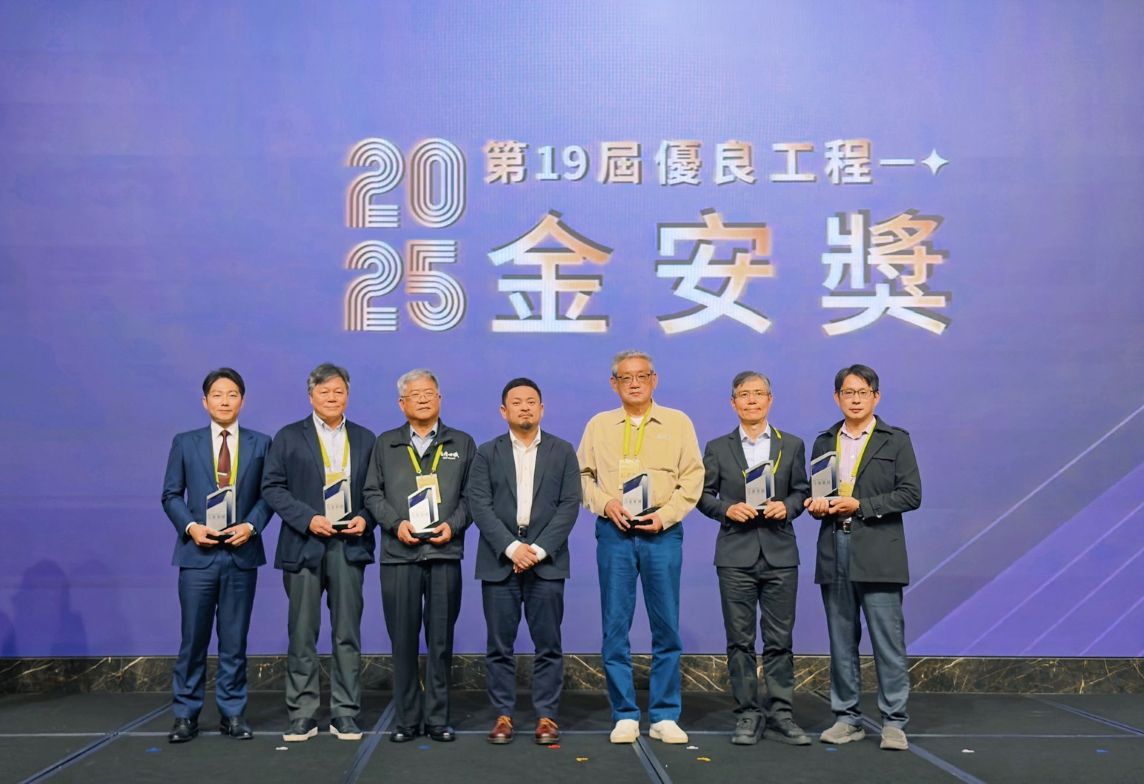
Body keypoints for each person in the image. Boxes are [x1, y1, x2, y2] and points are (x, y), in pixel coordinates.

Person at [577, 350, 703, 745]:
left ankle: (664, 714)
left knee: (666, 626)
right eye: (625, 377)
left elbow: (693, 477)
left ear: (654, 379)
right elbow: (582, 476)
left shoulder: (678, 422)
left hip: (661, 534)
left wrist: (666, 515)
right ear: (614, 383)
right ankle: (625, 714)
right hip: (614, 534)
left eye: (642, 376)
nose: (634, 383)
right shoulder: (598, 425)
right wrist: (605, 503)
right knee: (615, 626)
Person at [804, 364, 921, 751]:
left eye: (863, 392)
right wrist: (816, 505)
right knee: (841, 641)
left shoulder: (895, 440)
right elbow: (819, 491)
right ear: (837, 397)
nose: (855, 399)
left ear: (876, 396)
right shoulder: (824, 441)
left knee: (888, 642)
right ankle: (847, 718)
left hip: (878, 549)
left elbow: (911, 494)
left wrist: (862, 505)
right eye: (848, 393)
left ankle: (894, 722)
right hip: (834, 545)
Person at [261, 363, 376, 742]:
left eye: (339, 391)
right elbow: (272, 487)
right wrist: (308, 519)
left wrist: (365, 518)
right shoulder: (289, 436)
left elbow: (377, 492)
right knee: (302, 633)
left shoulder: (365, 439)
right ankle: (302, 713)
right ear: (311, 396)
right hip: (303, 544)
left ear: (348, 395)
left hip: (349, 546)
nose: (332, 397)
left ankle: (345, 712)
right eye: (324, 391)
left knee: (347, 633)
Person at [697, 371, 812, 746]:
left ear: (770, 400)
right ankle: (747, 713)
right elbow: (702, 495)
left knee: (780, 640)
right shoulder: (718, 447)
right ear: (733, 403)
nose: (752, 400)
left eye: (758, 393)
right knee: (740, 641)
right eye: (744, 395)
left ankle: (781, 713)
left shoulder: (792, 445)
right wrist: (727, 510)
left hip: (780, 553)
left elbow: (802, 491)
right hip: (735, 554)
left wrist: (788, 507)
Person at [363, 369, 475, 743]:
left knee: (441, 642)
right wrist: (396, 525)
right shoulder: (386, 444)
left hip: (444, 554)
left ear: (439, 398)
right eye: (415, 394)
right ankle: (407, 720)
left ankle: (438, 719)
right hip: (399, 555)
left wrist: (453, 526)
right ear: (402, 403)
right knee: (403, 642)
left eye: (429, 392)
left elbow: (473, 497)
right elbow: (371, 493)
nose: (423, 399)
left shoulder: (462, 442)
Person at [161, 368, 273, 743]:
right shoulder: (185, 443)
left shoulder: (261, 444)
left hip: (241, 554)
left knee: (234, 641)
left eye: (232, 394)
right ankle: (185, 715)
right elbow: (171, 495)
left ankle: (232, 713)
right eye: (218, 395)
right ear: (205, 401)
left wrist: (251, 526)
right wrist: (192, 527)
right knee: (193, 640)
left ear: (243, 400)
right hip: (197, 555)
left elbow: (269, 495)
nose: (225, 401)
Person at [467, 378, 581, 745]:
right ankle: (503, 715)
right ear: (504, 411)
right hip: (499, 561)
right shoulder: (487, 452)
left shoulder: (563, 451)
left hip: (547, 562)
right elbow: (479, 505)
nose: (525, 407)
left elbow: (569, 505)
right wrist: (512, 548)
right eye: (516, 402)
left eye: (531, 401)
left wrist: (538, 550)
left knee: (548, 644)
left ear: (542, 408)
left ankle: (547, 716)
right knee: (499, 645)